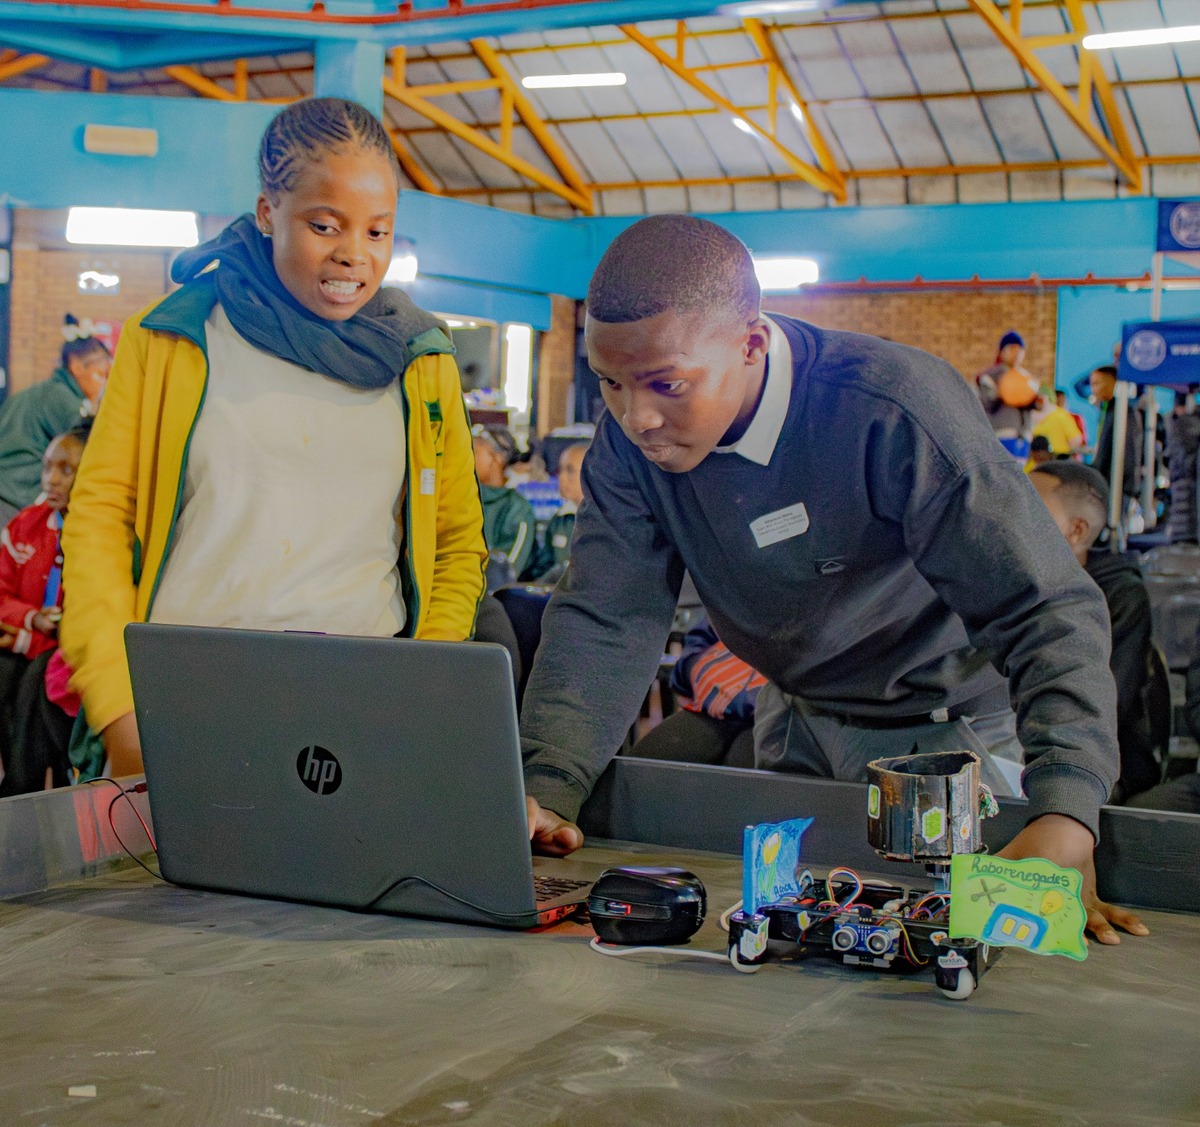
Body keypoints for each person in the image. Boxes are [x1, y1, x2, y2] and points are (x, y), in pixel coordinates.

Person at [520, 214, 1146, 944]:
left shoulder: (895, 408)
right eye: (610, 383)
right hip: (797, 720)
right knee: (786, 951)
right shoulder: (630, 446)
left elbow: (1042, 606)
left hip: (948, 735)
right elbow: (606, 615)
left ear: (751, 344)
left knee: (961, 956)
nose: (638, 418)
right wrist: (548, 786)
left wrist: (1065, 813)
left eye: (669, 384)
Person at [59, 97, 487, 780]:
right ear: (267, 213)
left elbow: (458, 542)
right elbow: (100, 521)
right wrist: (120, 707)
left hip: (361, 712)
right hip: (186, 699)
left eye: (378, 231)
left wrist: (418, 684)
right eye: (324, 225)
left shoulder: (421, 361)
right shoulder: (172, 337)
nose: (354, 254)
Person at [1028, 461, 1161, 802]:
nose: (1013, 519)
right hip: (1026, 745)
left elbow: (1109, 700)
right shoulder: (1016, 584)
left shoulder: (1120, 595)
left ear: (1077, 531)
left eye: (1031, 509)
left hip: (1100, 763)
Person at [0, 424, 87, 794]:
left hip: (63, 652)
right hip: (26, 640)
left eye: (66, 470)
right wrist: (31, 619)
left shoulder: (95, 536)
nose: (51, 479)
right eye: (47, 467)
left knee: (38, 680)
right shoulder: (26, 525)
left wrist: (26, 635)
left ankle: (26, 790)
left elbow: (79, 621)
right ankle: (18, 789)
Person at [0, 315, 110, 525]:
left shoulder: (41, 391)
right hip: (15, 499)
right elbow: (94, 447)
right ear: (77, 366)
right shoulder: (63, 399)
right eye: (100, 375)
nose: (104, 384)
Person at [627, 616, 764, 768]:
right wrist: (698, 671)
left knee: (747, 764)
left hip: (772, 705)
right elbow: (696, 646)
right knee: (642, 764)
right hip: (720, 700)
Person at [474, 428, 536, 583]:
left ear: (497, 458)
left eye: (474, 452)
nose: (465, 458)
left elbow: (507, 570)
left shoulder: (517, 509)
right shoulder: (464, 499)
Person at [528, 441, 587, 582]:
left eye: (570, 471)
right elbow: (543, 567)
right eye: (560, 470)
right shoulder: (560, 519)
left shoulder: (609, 520)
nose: (561, 478)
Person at [975, 330, 1040, 440]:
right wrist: (1001, 392)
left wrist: (1038, 401)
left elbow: (1035, 404)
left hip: (1023, 435)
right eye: (1012, 349)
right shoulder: (991, 376)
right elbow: (986, 403)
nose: (1016, 354)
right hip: (1001, 433)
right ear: (1002, 352)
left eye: (1019, 350)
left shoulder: (1027, 378)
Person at [1090, 364, 1142, 500]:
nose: (1093, 389)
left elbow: (1130, 452)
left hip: (1118, 488)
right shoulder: (1107, 409)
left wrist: (1129, 488)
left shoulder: (1123, 411)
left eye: (1097, 384)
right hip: (1105, 484)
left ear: (1110, 382)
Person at [1031, 389, 1084, 458]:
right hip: (1038, 460)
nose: (1037, 403)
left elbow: (1075, 440)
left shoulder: (1061, 415)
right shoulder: (1031, 415)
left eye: (1040, 400)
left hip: (1056, 459)